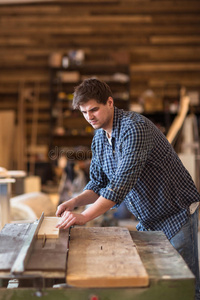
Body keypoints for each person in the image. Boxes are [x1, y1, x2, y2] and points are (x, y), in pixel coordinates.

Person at [56, 78, 200, 299]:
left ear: (110, 102)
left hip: (176, 213)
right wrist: (73, 202)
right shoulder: (99, 138)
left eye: (94, 109)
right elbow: (97, 184)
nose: (89, 117)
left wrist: (84, 217)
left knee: (184, 288)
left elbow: (118, 188)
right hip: (149, 218)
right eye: (84, 112)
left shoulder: (135, 129)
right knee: (158, 283)